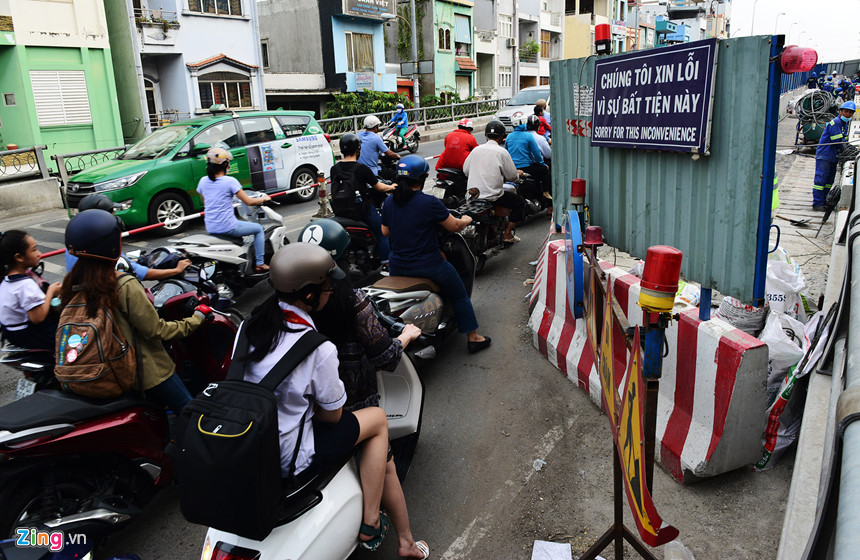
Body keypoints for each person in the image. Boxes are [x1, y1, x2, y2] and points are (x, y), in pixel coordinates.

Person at [240, 243, 420, 553]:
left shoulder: (249, 326)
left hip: (253, 436)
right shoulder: (318, 347)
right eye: (326, 285)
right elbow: (333, 415)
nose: (331, 290)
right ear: (310, 295)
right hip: (294, 449)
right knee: (377, 422)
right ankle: (372, 521)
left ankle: (403, 539)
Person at [308, 223, 428, 559]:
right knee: (382, 447)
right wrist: (407, 336)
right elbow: (386, 356)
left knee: (385, 461)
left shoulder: (292, 311)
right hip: (356, 402)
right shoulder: (352, 300)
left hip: (312, 407)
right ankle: (385, 527)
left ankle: (406, 541)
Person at [62, 209, 208, 411]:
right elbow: (157, 330)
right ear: (112, 246)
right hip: (145, 372)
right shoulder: (123, 284)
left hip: (111, 372)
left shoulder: (73, 285)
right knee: (189, 410)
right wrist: (197, 318)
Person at [381, 155, 491, 353]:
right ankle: (473, 337)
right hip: (429, 265)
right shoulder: (428, 202)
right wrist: (466, 219)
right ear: (423, 179)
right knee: (459, 295)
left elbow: (385, 231)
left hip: (397, 265)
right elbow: (454, 226)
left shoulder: (389, 202)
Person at [65, 194, 191, 280]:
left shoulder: (74, 245)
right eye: (112, 212)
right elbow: (144, 274)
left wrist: (133, 262)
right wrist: (177, 270)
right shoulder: (105, 247)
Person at [196, 147, 271, 274]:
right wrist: (264, 198)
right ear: (225, 164)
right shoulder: (230, 181)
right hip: (228, 227)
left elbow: (204, 201)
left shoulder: (203, 181)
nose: (229, 165)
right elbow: (248, 201)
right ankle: (260, 264)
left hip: (211, 227)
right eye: (228, 163)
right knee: (258, 229)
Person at [331, 133, 394, 262]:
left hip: (340, 210)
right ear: (358, 149)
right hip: (360, 210)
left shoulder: (334, 169)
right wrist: (393, 187)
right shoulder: (362, 169)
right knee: (382, 233)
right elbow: (380, 187)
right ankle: (386, 264)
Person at [464, 121, 527, 243]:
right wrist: (518, 174)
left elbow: (466, 170)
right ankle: (507, 234)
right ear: (501, 136)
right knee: (520, 203)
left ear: (486, 135)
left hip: (472, 195)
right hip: (492, 196)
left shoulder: (476, 150)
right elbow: (512, 176)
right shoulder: (502, 152)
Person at [0, 230, 62, 350]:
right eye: (34, 250)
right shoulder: (25, 284)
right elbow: (38, 317)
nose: (39, 253)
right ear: (19, 257)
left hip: (12, 334)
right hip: (29, 335)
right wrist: (51, 291)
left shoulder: (6, 280)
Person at [813, 101, 855, 210]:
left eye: (850, 113)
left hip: (832, 156)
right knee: (821, 179)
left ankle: (824, 201)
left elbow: (842, 141)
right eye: (846, 111)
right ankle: (817, 203)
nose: (848, 114)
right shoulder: (836, 123)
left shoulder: (843, 124)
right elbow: (837, 141)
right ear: (840, 112)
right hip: (825, 155)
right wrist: (848, 151)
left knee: (829, 181)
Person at [505, 115, 551, 198]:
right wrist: (543, 164)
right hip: (526, 167)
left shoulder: (509, 136)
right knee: (545, 171)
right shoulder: (528, 136)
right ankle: (545, 192)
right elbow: (537, 154)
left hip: (513, 168)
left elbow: (506, 153)